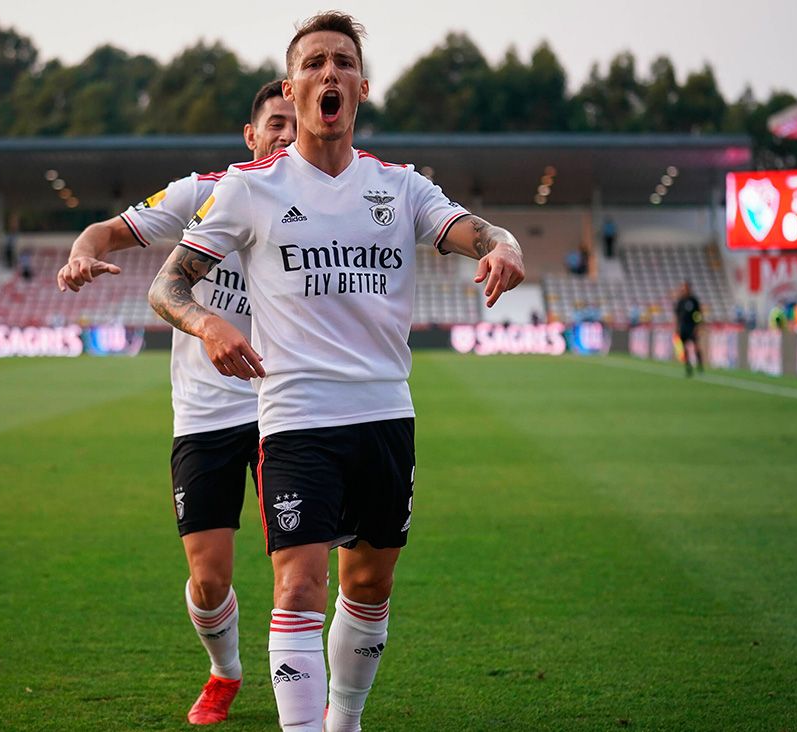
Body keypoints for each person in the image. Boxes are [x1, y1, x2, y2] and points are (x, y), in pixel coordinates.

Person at [147, 13, 525, 732]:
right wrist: (209, 322)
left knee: (370, 584)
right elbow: (167, 287)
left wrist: (501, 243)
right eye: (315, 62)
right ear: (293, 88)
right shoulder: (250, 189)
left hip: (386, 414)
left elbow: (470, 229)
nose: (330, 73)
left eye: (343, 62)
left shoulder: (400, 186)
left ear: (361, 86)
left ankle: (343, 719)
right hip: (296, 420)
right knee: (297, 587)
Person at [56, 80, 296, 725]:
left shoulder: (331, 204)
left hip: (288, 407)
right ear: (251, 136)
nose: (287, 134)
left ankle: (304, 691)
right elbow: (106, 231)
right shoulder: (199, 193)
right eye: (275, 123)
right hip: (206, 413)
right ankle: (225, 670)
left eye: (296, 123)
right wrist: (82, 254)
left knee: (296, 573)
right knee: (210, 576)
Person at [674, 281, 703, 377]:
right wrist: (677, 327)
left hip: (692, 326)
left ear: (689, 289)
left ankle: (700, 366)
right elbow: (677, 316)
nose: (684, 290)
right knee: (684, 348)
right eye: (683, 288)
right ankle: (688, 367)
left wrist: (698, 325)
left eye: (685, 288)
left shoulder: (693, 300)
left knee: (696, 346)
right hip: (683, 327)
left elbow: (698, 314)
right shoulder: (680, 301)